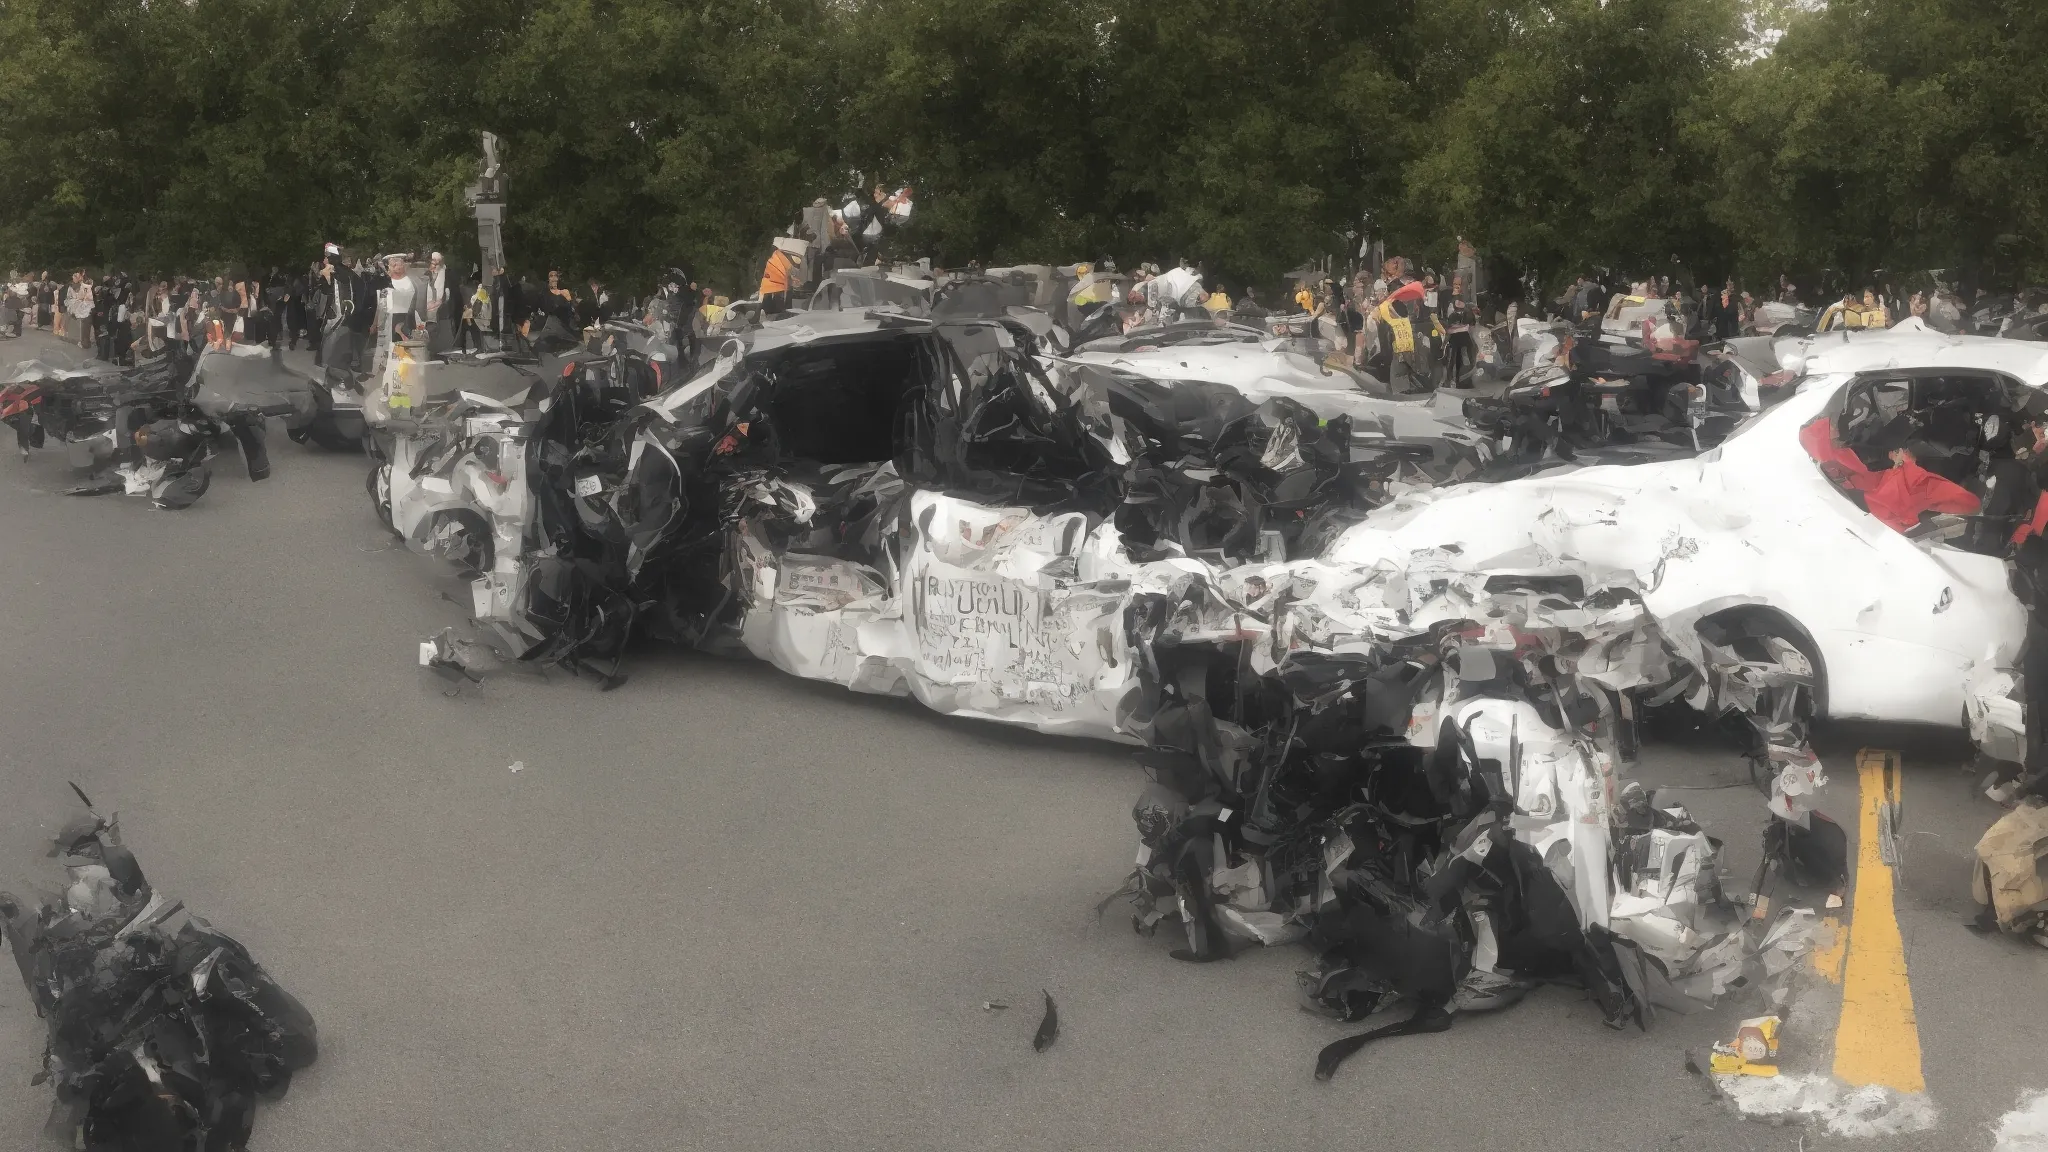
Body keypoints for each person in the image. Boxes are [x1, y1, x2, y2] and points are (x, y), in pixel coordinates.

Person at [1440, 274, 1477, 388]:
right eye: (1455, 284)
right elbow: (1447, 317)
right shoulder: (1447, 297)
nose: (1457, 287)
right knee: (1452, 359)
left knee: (1467, 358)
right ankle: (1449, 381)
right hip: (1452, 335)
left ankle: (1465, 381)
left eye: (1459, 285)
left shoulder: (1466, 299)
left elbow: (1472, 320)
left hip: (1464, 334)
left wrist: (1466, 310)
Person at [758, 245, 801, 314]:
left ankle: (769, 315)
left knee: (768, 305)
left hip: (768, 287)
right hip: (778, 287)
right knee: (779, 308)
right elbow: (789, 269)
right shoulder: (779, 255)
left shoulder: (765, 257)